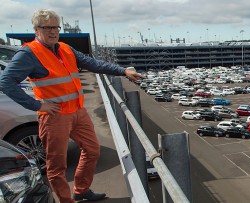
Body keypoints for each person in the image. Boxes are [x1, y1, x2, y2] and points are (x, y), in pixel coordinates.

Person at [0, 9, 143, 203]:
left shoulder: (65, 48)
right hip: (55, 116)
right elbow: (6, 81)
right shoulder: (29, 53)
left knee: (92, 150)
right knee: (56, 166)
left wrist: (122, 70)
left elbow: (93, 64)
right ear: (36, 29)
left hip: (78, 111)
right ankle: (66, 200)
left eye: (55, 27)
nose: (53, 31)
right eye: (47, 27)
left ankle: (81, 189)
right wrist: (36, 105)